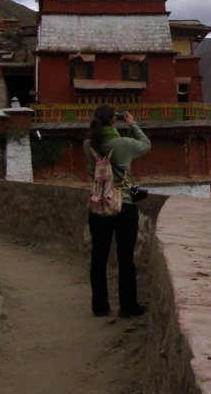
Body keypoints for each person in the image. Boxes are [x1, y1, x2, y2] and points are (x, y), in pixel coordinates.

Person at [84, 103, 151, 318]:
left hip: (98, 205)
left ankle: (100, 306)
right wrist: (132, 124)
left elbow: (90, 169)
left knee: (98, 257)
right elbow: (145, 144)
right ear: (115, 120)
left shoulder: (88, 145)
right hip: (124, 205)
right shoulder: (122, 144)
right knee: (125, 258)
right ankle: (127, 306)